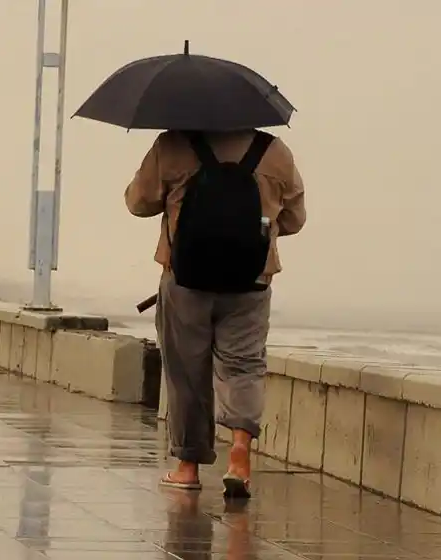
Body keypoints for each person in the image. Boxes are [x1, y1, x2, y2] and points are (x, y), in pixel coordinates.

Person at [124, 129, 306, 499]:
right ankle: (239, 454)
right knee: (244, 364)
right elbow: (294, 219)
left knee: (186, 371)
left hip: (185, 279)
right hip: (251, 280)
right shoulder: (273, 150)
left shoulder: (173, 144)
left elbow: (138, 202)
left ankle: (188, 468)